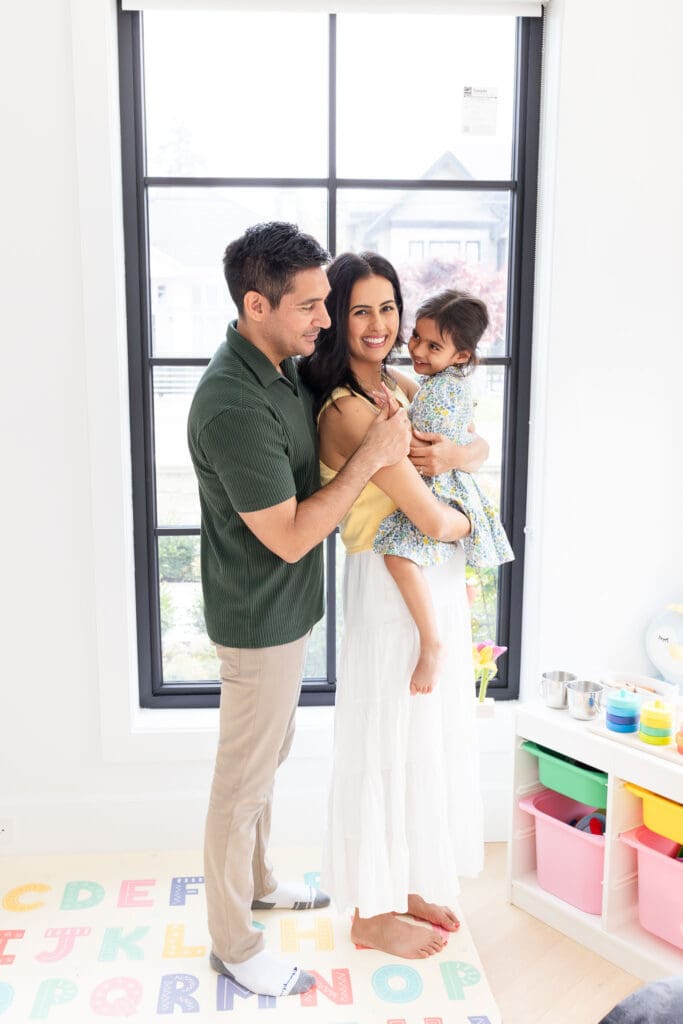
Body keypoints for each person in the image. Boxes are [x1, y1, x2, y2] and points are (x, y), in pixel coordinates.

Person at [187, 223, 412, 999]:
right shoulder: (230, 402)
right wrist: (371, 459)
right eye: (312, 305)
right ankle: (234, 943)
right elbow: (287, 537)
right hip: (258, 620)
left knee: (265, 763)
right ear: (256, 304)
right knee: (240, 783)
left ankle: (256, 883)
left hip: (286, 616)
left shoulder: (280, 369)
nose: (325, 318)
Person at [299, 252, 486, 960]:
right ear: (336, 320)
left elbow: (474, 441)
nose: (378, 325)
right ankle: (367, 912)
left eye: (387, 309)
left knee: (419, 741)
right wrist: (478, 521)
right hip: (388, 581)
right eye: (359, 311)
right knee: (381, 741)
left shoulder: (398, 386)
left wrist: (459, 461)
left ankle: (403, 882)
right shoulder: (350, 407)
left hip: (424, 582)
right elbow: (432, 521)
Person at [373, 289, 514, 695]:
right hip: (445, 485)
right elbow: (473, 442)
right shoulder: (438, 381)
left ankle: (432, 643)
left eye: (433, 345)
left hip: (440, 490)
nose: (417, 348)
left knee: (398, 556)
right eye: (416, 336)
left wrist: (393, 416)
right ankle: (435, 639)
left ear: (461, 356)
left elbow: (417, 444)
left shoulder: (439, 390)